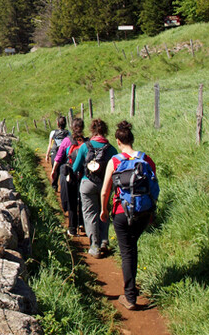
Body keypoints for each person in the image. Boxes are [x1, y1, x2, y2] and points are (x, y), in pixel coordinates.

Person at [100, 121, 157, 310]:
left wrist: (104, 210)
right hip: (142, 211)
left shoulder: (115, 160)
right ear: (132, 139)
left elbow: (105, 191)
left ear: (118, 141)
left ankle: (130, 297)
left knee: (127, 251)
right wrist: (151, 210)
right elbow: (153, 186)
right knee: (131, 247)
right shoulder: (146, 159)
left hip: (121, 212)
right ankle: (132, 286)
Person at [70, 118, 117, 258]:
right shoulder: (111, 149)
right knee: (104, 210)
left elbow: (75, 167)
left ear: (92, 130)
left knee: (90, 214)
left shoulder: (85, 146)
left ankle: (94, 246)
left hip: (88, 183)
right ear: (105, 131)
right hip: (105, 185)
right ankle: (104, 241)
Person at [51, 117, 86, 236]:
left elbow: (59, 156)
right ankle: (82, 223)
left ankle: (72, 228)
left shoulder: (67, 141)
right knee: (82, 199)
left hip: (70, 173)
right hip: (83, 174)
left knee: (71, 201)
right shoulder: (86, 142)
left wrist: (54, 170)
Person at [45, 116, 69, 191]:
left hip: (55, 152)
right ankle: (64, 186)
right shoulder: (68, 133)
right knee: (63, 169)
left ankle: (54, 186)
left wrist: (47, 155)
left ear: (58, 123)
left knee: (55, 169)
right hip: (64, 153)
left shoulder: (53, 132)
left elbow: (50, 145)